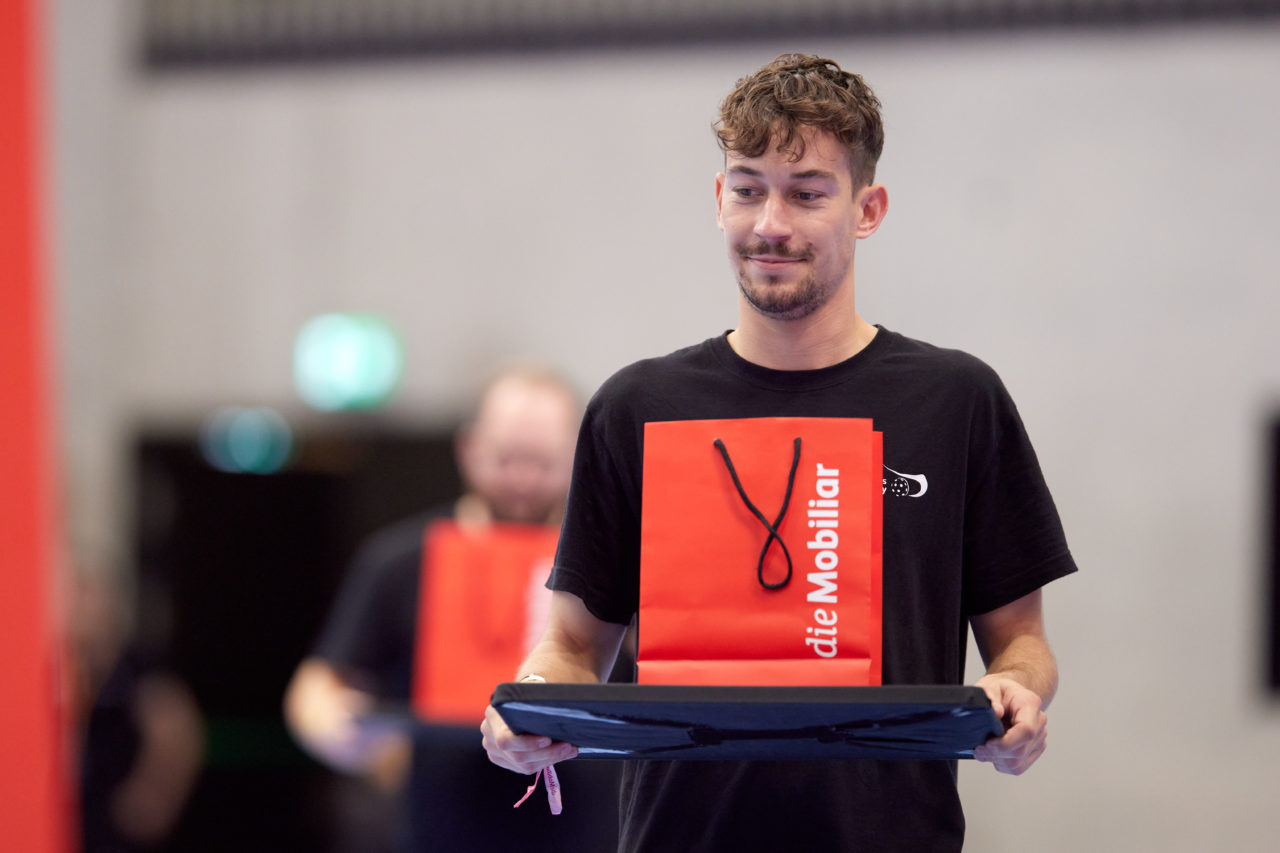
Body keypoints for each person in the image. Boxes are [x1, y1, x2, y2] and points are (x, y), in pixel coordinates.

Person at [481, 53, 1078, 852]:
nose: (770, 224)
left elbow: (1022, 640)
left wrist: (1016, 691)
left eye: (807, 193)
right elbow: (572, 645)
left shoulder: (955, 401)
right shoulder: (637, 409)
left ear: (868, 209)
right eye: (748, 188)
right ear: (718, 198)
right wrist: (526, 707)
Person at [285, 365, 627, 852]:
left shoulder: (613, 564)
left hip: (588, 833)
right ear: (470, 449)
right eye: (506, 459)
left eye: (544, 462)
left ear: (579, 457)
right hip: (439, 828)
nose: (523, 480)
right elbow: (318, 686)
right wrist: (345, 732)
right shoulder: (400, 560)